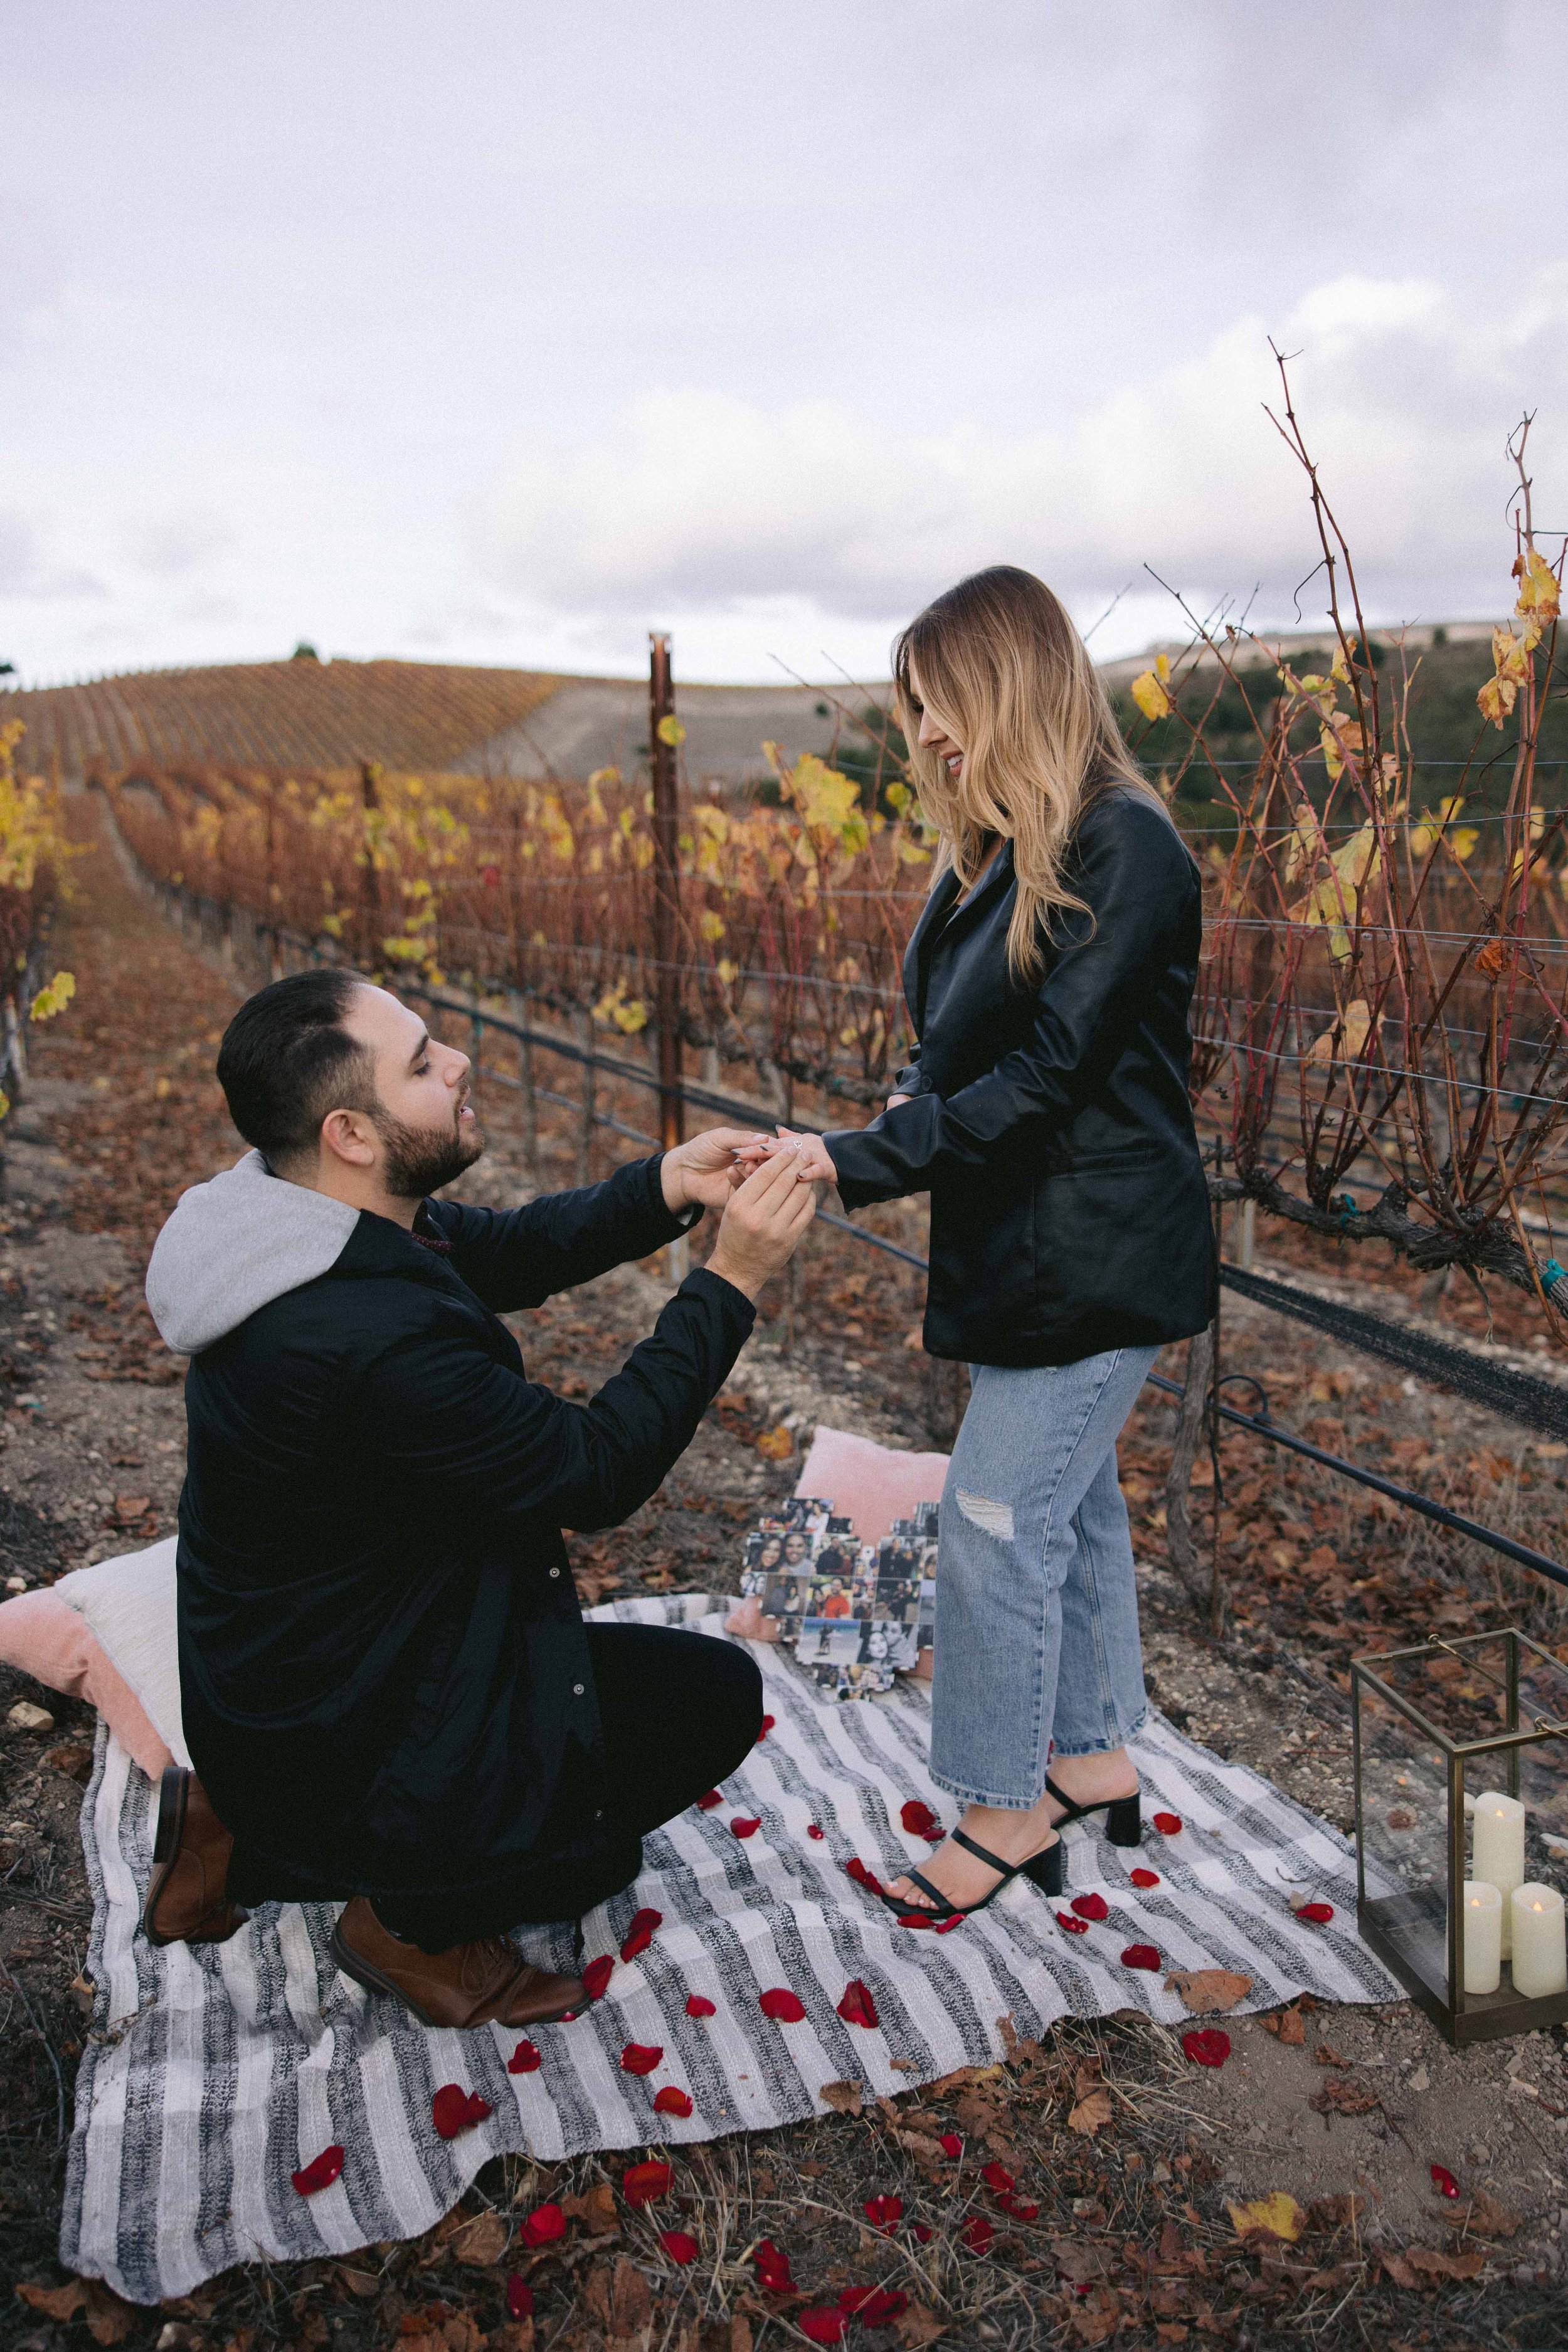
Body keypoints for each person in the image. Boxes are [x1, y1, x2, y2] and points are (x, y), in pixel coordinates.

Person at [140, 968, 815, 2025]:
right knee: (694, 1723)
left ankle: (239, 1822)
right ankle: (409, 1920)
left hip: (309, 1662)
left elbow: (501, 1249)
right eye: (422, 1062)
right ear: (352, 1131)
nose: (457, 1060)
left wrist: (665, 1186)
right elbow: (596, 1468)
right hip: (335, 1707)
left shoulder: (298, 1216)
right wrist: (731, 1279)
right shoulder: (361, 1341)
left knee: (625, 1716)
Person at [743, 566, 1215, 1920]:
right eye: (914, 712)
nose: (927, 735)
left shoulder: (1125, 846)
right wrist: (888, 1112)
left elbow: (1059, 1068)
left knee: (997, 1519)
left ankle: (1005, 1806)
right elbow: (953, 1049)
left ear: (1005, 683)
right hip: (1028, 1245)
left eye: (940, 703)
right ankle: (1095, 1762)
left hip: (1098, 1249)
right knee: (1073, 1505)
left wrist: (859, 1157)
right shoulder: (996, 855)